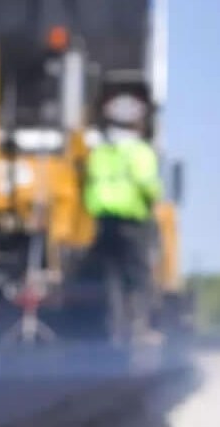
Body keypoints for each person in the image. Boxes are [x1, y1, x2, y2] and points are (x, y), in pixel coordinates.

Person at [82, 95, 163, 345]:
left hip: (103, 222)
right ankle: (140, 329)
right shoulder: (140, 151)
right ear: (137, 123)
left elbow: (88, 182)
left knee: (110, 279)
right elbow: (149, 186)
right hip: (132, 222)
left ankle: (112, 330)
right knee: (138, 278)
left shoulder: (100, 153)